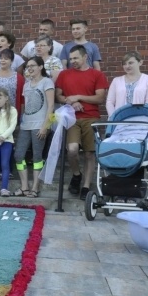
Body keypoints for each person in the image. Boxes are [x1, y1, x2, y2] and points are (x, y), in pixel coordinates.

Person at [56, 45, 109, 200]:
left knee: (89, 154)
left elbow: (100, 98)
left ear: (85, 57)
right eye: (71, 58)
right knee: (72, 150)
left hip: (91, 117)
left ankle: (86, 186)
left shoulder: (96, 75)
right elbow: (59, 95)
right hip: (72, 117)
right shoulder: (64, 75)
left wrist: (78, 97)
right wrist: (70, 102)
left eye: (76, 58)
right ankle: (76, 174)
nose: (73, 61)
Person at [15, 56, 55, 197]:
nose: (29, 68)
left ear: (40, 67)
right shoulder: (26, 85)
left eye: (33, 65)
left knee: (37, 156)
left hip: (40, 125)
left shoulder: (47, 82)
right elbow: (25, 105)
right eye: (27, 66)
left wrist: (46, 126)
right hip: (26, 125)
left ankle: (35, 187)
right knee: (19, 155)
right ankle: (24, 186)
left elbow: (51, 106)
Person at [106, 51, 148, 116]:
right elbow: (110, 102)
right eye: (124, 64)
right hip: (119, 121)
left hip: (141, 120)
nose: (127, 66)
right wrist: (113, 117)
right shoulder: (116, 81)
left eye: (130, 63)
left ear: (140, 62)